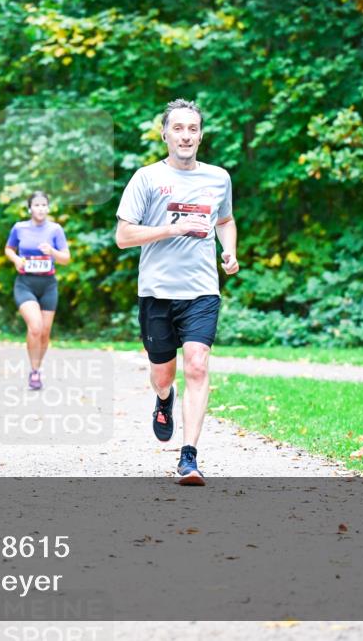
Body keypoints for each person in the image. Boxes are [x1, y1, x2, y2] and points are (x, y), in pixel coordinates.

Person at [115, 99, 239, 485]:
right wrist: (174, 228)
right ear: (165, 134)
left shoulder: (218, 178)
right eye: (178, 129)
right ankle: (164, 399)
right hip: (157, 291)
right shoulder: (147, 178)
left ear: (201, 136)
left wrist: (229, 250)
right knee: (163, 375)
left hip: (202, 290)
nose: (185, 136)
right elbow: (123, 236)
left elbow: (225, 219)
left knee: (197, 365)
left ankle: (189, 457)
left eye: (192, 129)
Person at [4, 191, 70, 390]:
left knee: (45, 332)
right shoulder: (19, 228)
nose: (40, 209)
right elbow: (8, 249)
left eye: (43, 205)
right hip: (25, 284)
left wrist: (52, 252)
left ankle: (37, 368)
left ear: (48, 208)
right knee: (35, 327)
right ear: (29, 208)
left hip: (48, 285)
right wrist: (16, 259)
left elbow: (66, 259)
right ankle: (34, 371)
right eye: (36, 205)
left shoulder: (55, 229)